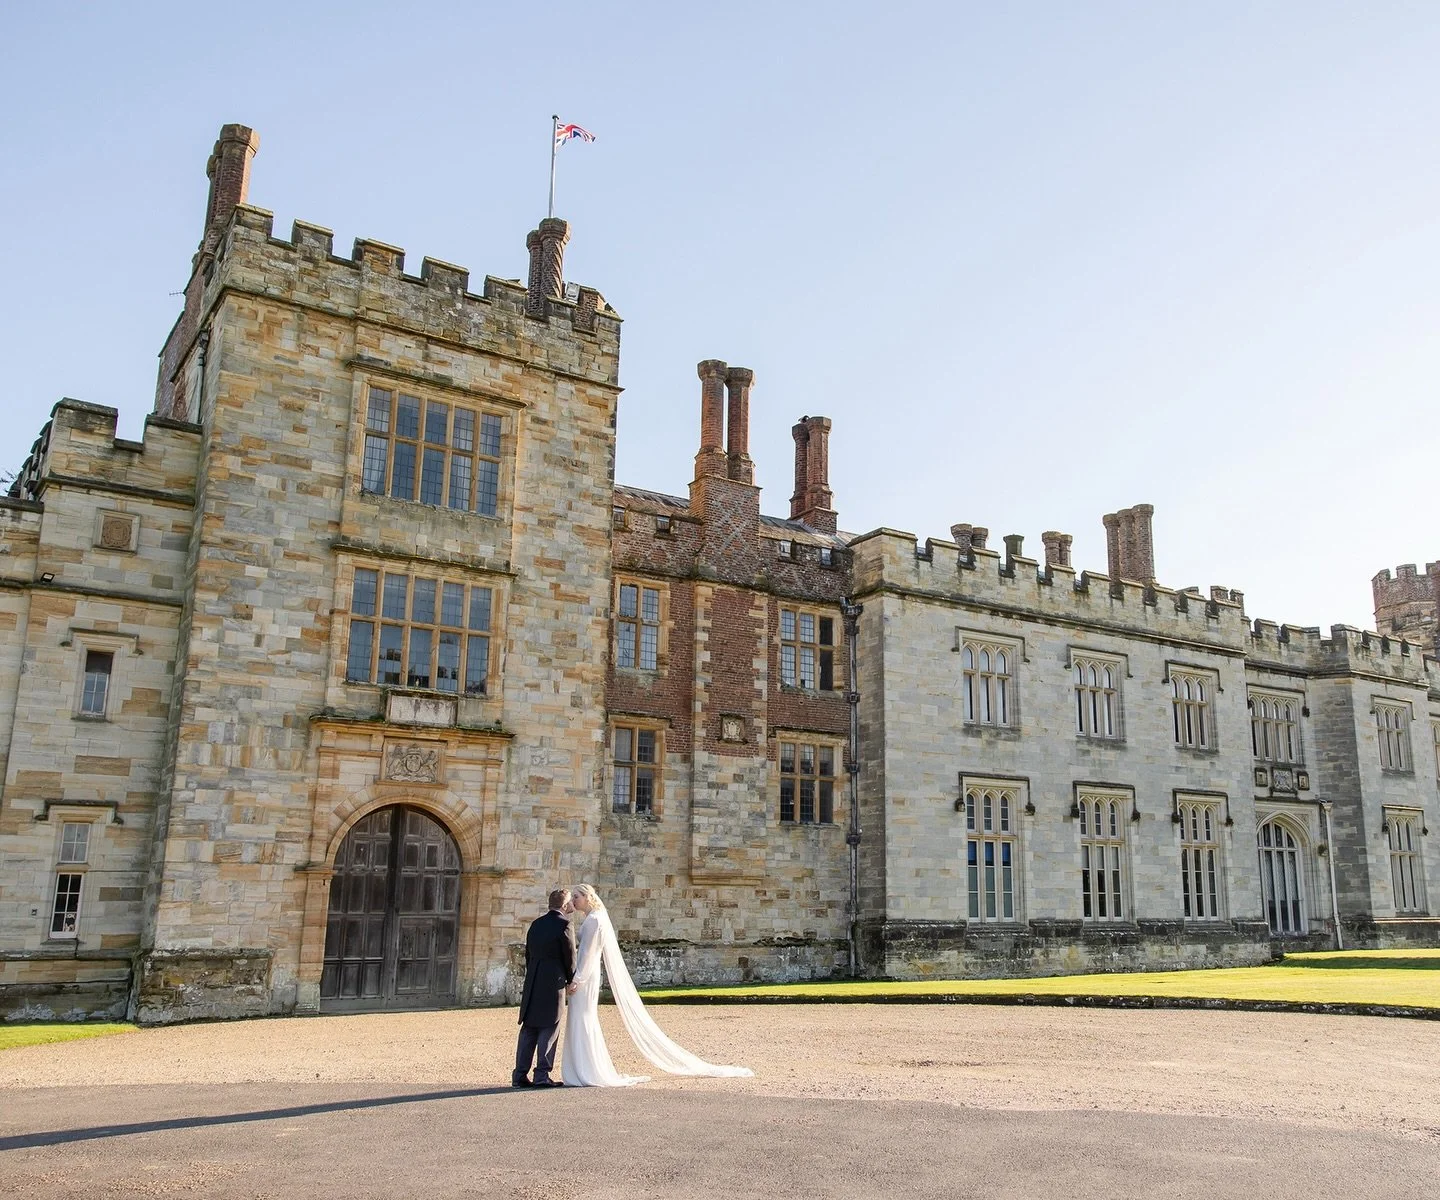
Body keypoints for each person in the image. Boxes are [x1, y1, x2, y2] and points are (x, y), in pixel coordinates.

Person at [561, 883, 753, 1087]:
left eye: (576, 897)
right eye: (572, 897)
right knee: (583, 1018)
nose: (573, 901)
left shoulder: (593, 920)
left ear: (588, 897)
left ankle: (587, 1069)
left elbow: (589, 955)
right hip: (588, 976)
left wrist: (577, 980)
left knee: (583, 1018)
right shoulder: (594, 918)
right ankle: (586, 1067)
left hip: (585, 977)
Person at [513, 887, 575, 1088]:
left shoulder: (536, 924)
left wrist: (533, 972)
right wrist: (570, 978)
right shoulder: (564, 924)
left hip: (534, 979)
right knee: (550, 1025)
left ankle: (519, 1075)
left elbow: (528, 954)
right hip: (552, 979)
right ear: (564, 905)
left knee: (529, 1028)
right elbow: (569, 956)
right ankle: (541, 1075)